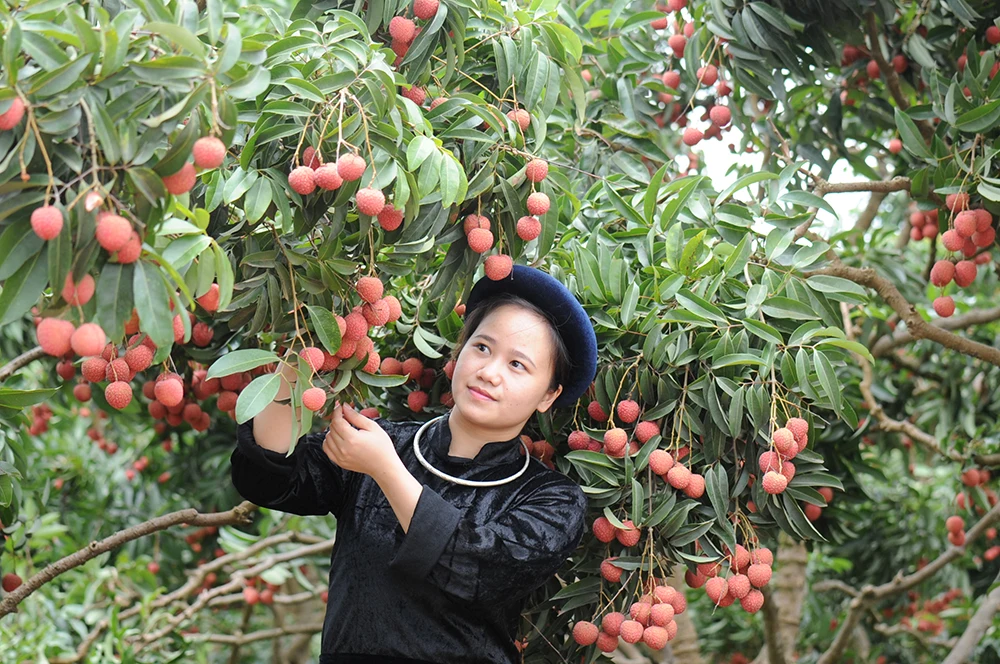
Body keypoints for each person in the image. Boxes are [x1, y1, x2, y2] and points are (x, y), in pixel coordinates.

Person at [230, 264, 599, 663]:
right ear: (459, 352)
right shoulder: (385, 441)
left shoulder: (553, 499)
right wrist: (296, 358)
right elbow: (269, 478)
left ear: (548, 395)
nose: (490, 372)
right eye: (482, 347)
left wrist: (386, 471)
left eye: (517, 365)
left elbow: (480, 570)